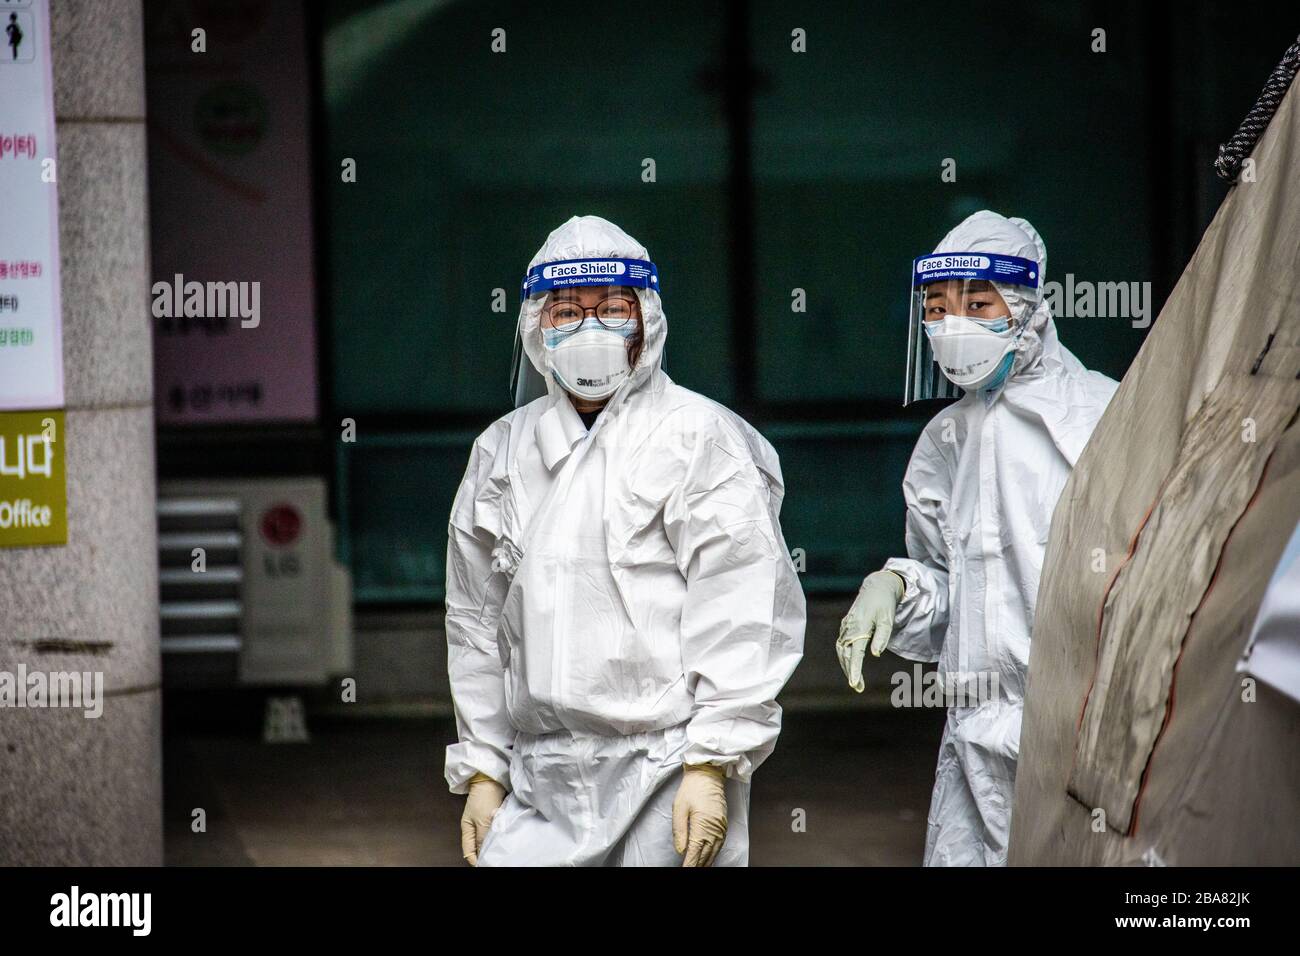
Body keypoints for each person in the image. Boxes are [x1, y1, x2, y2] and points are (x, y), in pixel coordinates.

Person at [445, 215, 805, 867]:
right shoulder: (501, 454)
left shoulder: (699, 438)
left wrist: (711, 760)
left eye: (611, 309)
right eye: (566, 313)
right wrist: (483, 768)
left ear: (647, 320)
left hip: (665, 771)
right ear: (535, 327)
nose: (590, 330)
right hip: (540, 782)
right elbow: (476, 623)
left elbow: (743, 607)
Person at [836, 210, 1117, 866]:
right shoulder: (945, 440)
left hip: (1079, 735)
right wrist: (898, 585)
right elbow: (948, 593)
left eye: (977, 302)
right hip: (972, 742)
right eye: (936, 306)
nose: (952, 324)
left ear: (1027, 307)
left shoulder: (1105, 418)